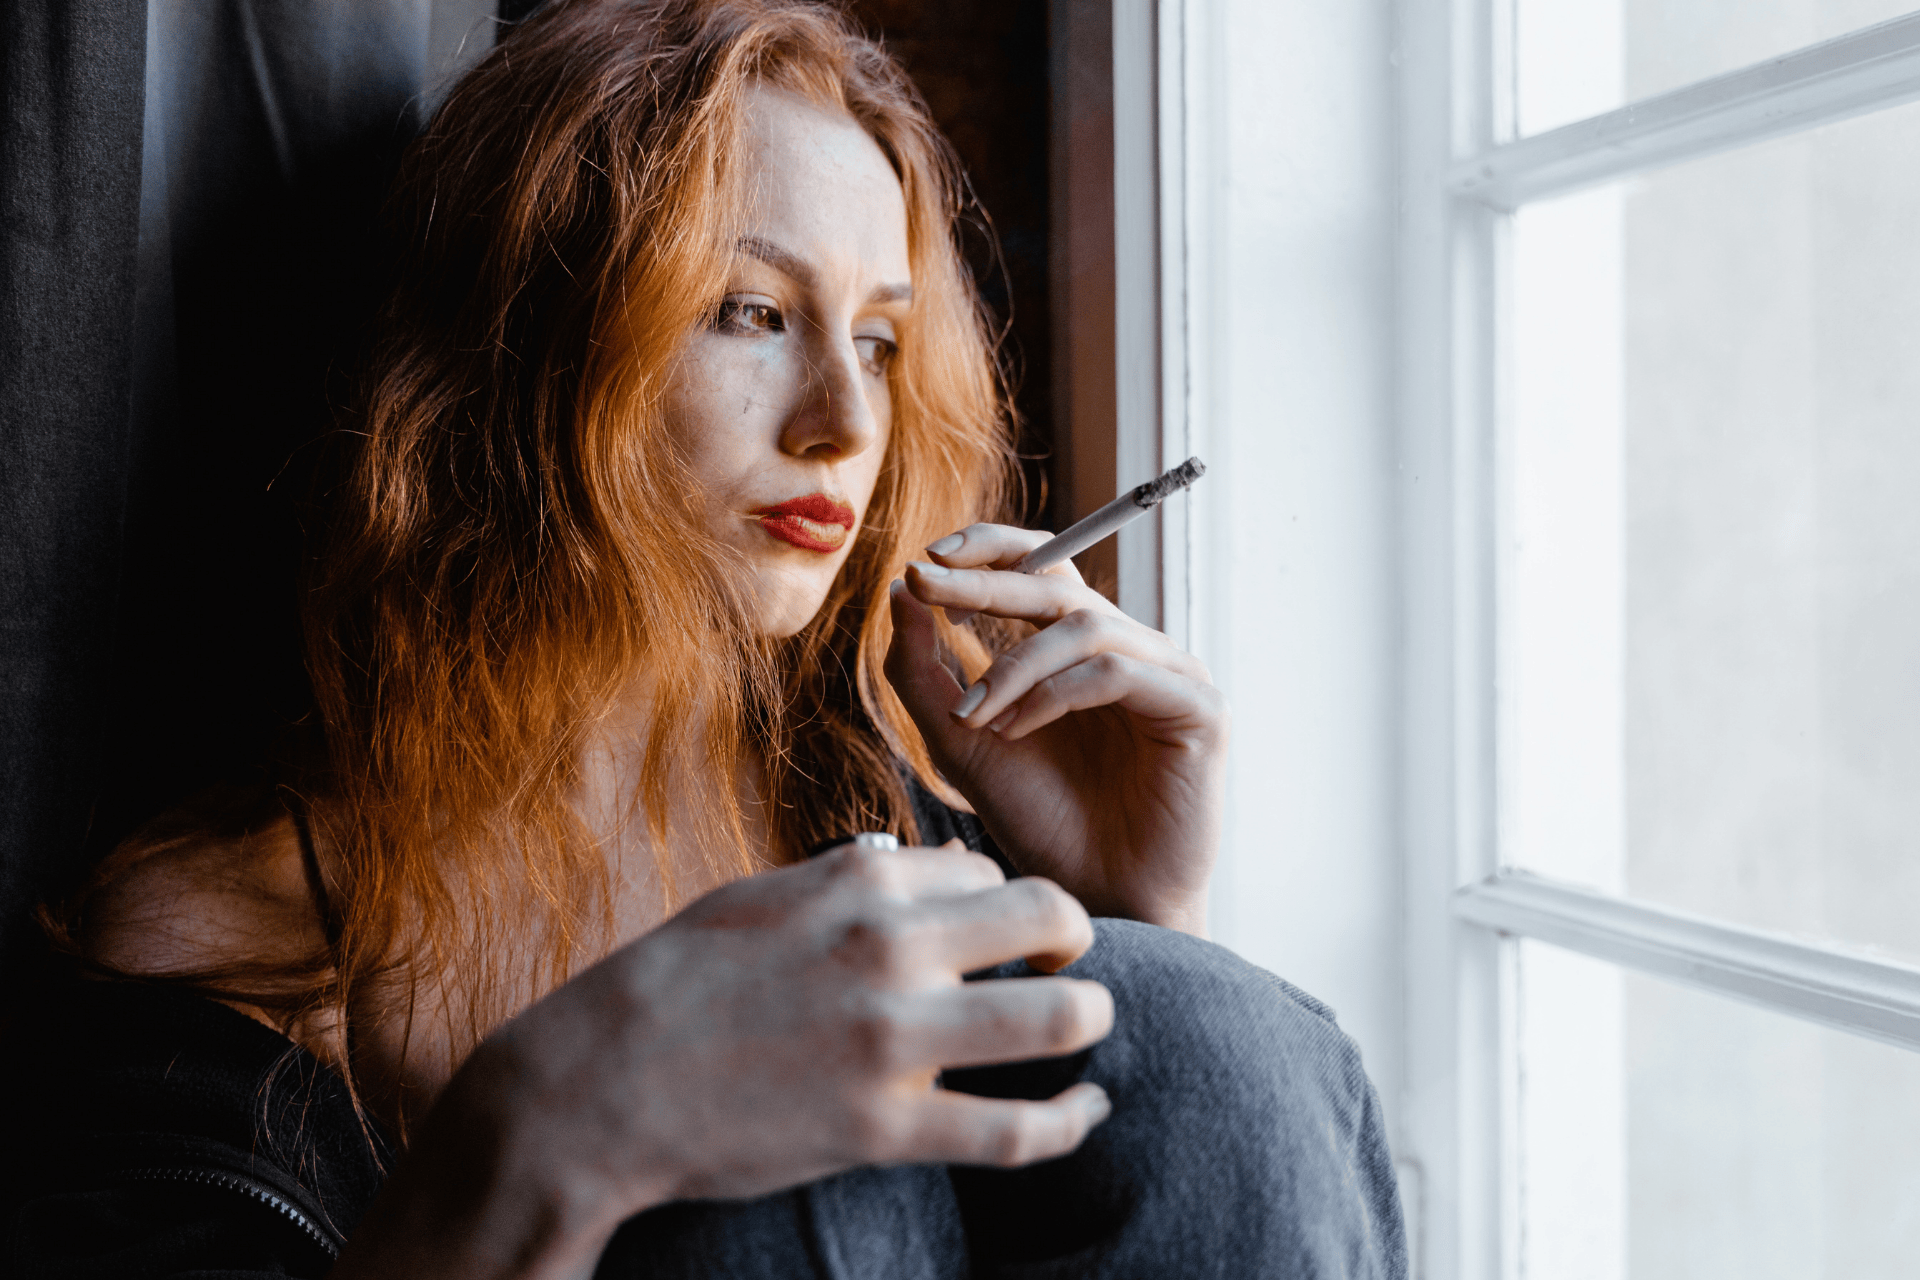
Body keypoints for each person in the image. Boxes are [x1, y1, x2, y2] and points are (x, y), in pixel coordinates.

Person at [2, 2, 1407, 1276]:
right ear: (523, 347)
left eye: (875, 340)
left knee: (1222, 1037)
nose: (846, 430)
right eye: (750, 313)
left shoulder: (881, 825)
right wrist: (546, 1138)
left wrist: (1126, 926)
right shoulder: (231, 944)